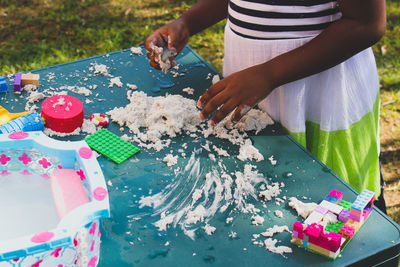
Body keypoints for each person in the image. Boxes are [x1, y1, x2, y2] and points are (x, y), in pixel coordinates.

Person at [145, 0, 387, 212]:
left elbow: (366, 24)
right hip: (250, 87)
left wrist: (268, 75)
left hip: (320, 98)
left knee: (333, 219)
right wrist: (187, 22)